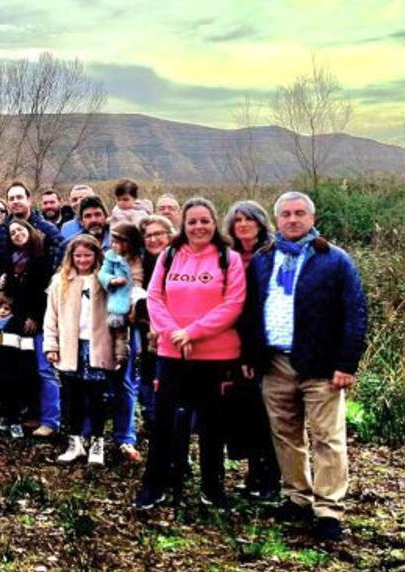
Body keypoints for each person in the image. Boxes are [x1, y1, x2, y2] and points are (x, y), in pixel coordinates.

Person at [241, 191, 367, 542]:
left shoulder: (334, 260)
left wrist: (346, 363)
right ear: (277, 220)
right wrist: (250, 356)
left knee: (328, 438)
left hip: (321, 366)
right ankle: (297, 497)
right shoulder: (264, 259)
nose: (292, 219)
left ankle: (328, 510)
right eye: (286, 214)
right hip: (275, 363)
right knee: (286, 434)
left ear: (312, 218)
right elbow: (250, 311)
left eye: (299, 213)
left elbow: (354, 313)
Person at [135, 198, 246, 510]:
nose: (199, 227)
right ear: (183, 225)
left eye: (204, 220)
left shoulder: (229, 258)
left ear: (215, 222)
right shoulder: (169, 256)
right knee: (165, 422)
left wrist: (192, 332)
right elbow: (154, 297)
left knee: (213, 425)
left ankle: (213, 488)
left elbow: (233, 303)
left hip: (216, 355)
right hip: (172, 354)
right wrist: (174, 332)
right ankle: (156, 485)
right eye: (192, 221)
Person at [0, 182, 64, 437]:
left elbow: (47, 285)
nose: (15, 202)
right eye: (11, 198)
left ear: (29, 200)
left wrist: (35, 315)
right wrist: (1, 284)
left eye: (19, 197)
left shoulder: (44, 246)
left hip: (42, 318)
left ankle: (51, 419)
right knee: (22, 366)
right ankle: (25, 413)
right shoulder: (10, 251)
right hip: (16, 317)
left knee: (44, 368)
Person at [46, 234, 126, 465]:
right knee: (73, 397)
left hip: (99, 346)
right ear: (71, 257)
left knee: (98, 397)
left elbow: (118, 317)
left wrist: (121, 349)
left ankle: (97, 444)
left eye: (87, 255)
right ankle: (75, 442)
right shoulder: (60, 281)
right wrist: (51, 345)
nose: (82, 260)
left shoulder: (106, 281)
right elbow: (51, 316)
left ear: (96, 256)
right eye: (78, 256)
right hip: (70, 346)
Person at [222, 200, 280, 502]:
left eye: (249, 219)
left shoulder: (271, 254)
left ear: (260, 223)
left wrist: (252, 350)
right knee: (244, 412)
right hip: (233, 341)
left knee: (265, 413)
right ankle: (253, 473)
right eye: (238, 220)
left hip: (262, 342)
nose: (243, 225)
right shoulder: (228, 256)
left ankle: (272, 477)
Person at [99, 222, 147, 462]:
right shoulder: (110, 258)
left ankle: (126, 436)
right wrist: (111, 281)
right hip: (112, 314)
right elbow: (102, 276)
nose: (116, 244)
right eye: (114, 240)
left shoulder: (143, 259)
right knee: (109, 377)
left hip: (137, 319)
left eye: (121, 240)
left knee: (127, 378)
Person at [136, 215, 177, 431]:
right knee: (148, 372)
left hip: (175, 329)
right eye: (148, 235)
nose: (153, 239)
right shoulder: (141, 263)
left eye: (158, 234)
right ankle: (151, 418)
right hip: (147, 329)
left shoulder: (179, 260)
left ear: (170, 235)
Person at [0, 292, 36, 438]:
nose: (3, 311)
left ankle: (15, 422)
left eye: (7, 308)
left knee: (14, 394)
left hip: (14, 368)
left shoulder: (18, 323)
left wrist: (26, 367)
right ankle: (4, 417)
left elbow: (26, 346)